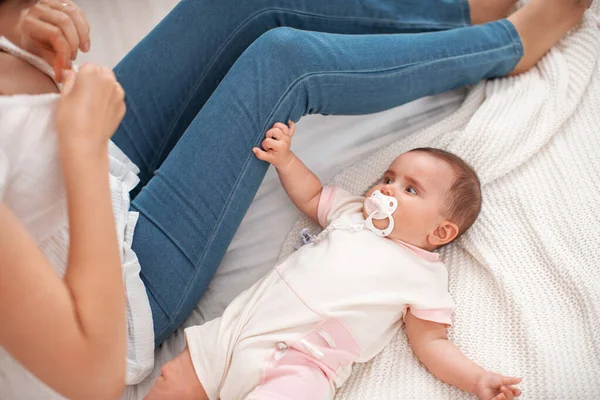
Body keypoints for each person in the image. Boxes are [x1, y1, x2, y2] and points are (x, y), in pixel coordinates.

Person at [0, 0, 590, 398]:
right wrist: (78, 149)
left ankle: (454, 10)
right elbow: (92, 368)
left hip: (93, 150)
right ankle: (504, 45)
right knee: (286, 62)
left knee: (238, 7)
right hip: (118, 275)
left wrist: (16, 43)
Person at [145, 122, 519, 400]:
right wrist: (286, 160)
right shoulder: (352, 213)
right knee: (169, 384)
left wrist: (475, 378)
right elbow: (312, 195)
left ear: (441, 232)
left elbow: (432, 344)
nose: (387, 187)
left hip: (302, 362)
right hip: (237, 329)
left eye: (409, 189)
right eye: (388, 177)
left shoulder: (426, 278)